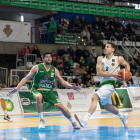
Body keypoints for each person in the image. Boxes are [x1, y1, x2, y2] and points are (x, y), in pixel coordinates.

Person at [9, 52, 81, 129]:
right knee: (39, 97)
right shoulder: (37, 67)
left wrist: (71, 87)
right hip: (37, 90)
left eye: (50, 57)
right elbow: (26, 78)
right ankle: (42, 120)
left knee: (60, 106)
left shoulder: (54, 70)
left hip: (49, 92)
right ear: (43, 59)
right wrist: (17, 88)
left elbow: (63, 82)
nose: (48, 58)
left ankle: (73, 122)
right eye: (46, 57)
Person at [74, 42, 130, 128]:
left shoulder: (118, 58)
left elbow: (127, 65)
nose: (105, 48)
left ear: (113, 49)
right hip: (102, 84)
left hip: (110, 85)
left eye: (108, 47)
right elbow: (99, 73)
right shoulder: (100, 59)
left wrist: (126, 75)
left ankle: (84, 120)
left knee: (94, 97)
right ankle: (123, 116)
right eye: (105, 46)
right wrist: (112, 74)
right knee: (107, 107)